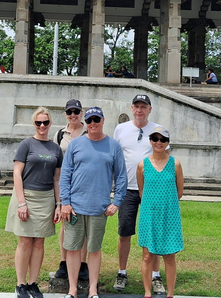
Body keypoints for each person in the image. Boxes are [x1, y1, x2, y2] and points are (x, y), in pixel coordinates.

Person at [60, 106, 127, 298]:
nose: (92, 124)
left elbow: (121, 176)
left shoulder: (113, 146)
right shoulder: (75, 144)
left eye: (96, 120)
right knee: (72, 249)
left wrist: (117, 202)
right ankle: (72, 290)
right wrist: (65, 202)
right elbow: (65, 175)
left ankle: (92, 290)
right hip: (74, 207)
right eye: (89, 121)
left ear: (103, 120)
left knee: (94, 249)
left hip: (99, 207)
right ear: (85, 123)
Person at [5, 107, 63, 298]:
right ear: (34, 124)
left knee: (39, 242)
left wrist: (58, 204)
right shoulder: (26, 144)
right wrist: (22, 202)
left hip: (46, 198)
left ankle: (32, 283)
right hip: (27, 196)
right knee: (24, 241)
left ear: (50, 123)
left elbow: (57, 179)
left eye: (45, 122)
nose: (42, 126)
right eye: (38, 123)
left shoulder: (55, 149)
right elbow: (17, 173)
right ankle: (20, 284)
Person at [112, 94, 165, 294]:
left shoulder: (158, 130)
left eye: (144, 106)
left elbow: (165, 158)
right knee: (124, 232)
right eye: (136, 106)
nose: (140, 110)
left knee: (154, 233)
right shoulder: (121, 129)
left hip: (152, 190)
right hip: (127, 189)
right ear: (132, 108)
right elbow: (115, 158)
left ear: (150, 109)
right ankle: (122, 272)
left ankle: (155, 275)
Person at [137, 126, 184, 298]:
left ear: (167, 142)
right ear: (150, 141)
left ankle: (170, 294)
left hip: (169, 215)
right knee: (147, 255)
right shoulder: (142, 165)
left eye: (162, 139)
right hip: (149, 214)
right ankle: (147, 292)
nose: (158, 142)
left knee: (169, 255)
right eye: (155, 139)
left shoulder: (175, 164)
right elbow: (142, 191)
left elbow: (179, 191)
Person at [52, 99, 89, 282]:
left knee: (82, 224)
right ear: (65, 114)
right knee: (66, 224)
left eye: (76, 111)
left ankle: (82, 263)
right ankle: (64, 261)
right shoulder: (60, 134)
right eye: (70, 112)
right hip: (65, 183)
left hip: (84, 184)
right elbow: (55, 160)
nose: (73, 115)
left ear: (82, 112)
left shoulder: (88, 130)